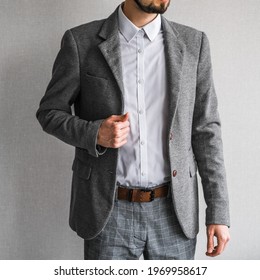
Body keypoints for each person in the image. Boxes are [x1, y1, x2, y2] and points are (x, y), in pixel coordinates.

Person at [36, 0, 230, 260]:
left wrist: (218, 211)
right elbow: (49, 112)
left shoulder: (194, 43)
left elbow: (206, 131)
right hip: (109, 210)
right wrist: (95, 133)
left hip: (174, 213)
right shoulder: (80, 41)